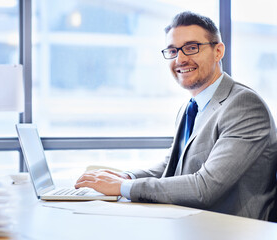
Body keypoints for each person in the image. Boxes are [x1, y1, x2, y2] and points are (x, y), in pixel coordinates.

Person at [75, 11, 277, 221]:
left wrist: (123, 187)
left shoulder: (244, 106)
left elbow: (204, 187)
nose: (180, 59)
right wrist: (127, 177)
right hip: (192, 223)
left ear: (218, 51)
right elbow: (171, 166)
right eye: (172, 50)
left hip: (229, 230)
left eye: (191, 48)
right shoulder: (190, 107)